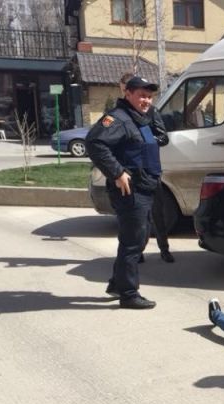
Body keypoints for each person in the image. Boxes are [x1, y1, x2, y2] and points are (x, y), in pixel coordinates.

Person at [86, 75, 164, 309]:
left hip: (145, 186)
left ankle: (117, 284)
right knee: (132, 242)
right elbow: (94, 143)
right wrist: (117, 172)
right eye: (141, 95)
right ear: (127, 94)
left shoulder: (139, 118)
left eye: (149, 96)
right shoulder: (118, 118)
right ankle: (129, 294)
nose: (146, 100)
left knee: (138, 239)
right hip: (131, 190)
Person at [119, 72, 175, 264]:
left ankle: (164, 249)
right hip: (131, 172)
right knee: (137, 218)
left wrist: (146, 140)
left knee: (157, 214)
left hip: (150, 170)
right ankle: (138, 251)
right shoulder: (121, 113)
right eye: (124, 88)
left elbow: (163, 137)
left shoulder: (151, 111)